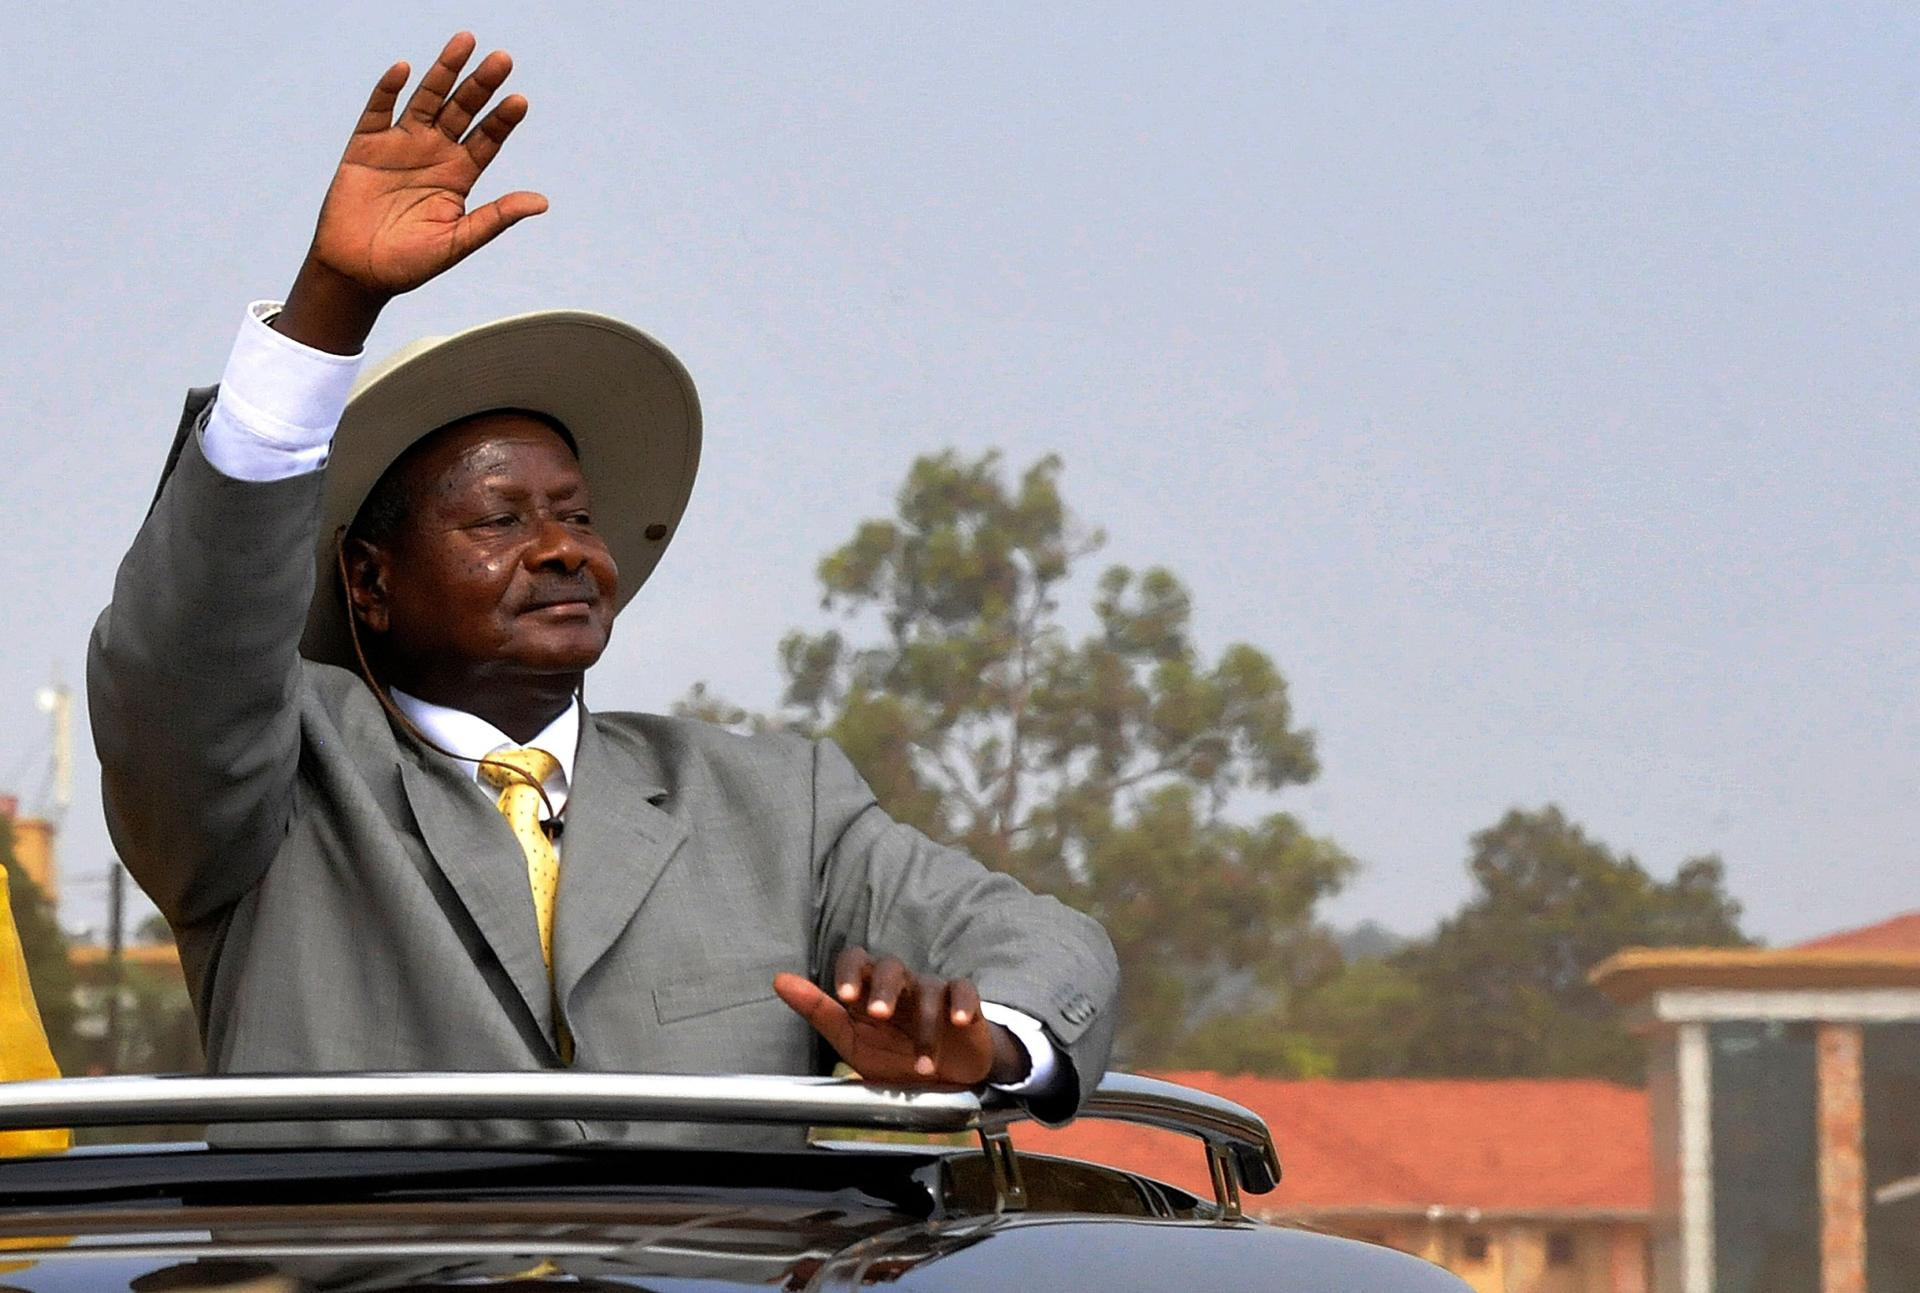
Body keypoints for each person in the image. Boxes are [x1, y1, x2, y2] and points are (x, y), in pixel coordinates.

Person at [87, 34, 1116, 1143]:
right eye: (500, 520)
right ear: (370, 583)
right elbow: (182, 661)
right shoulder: (273, 783)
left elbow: (1048, 946)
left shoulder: (776, 804)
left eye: (577, 517)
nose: (562, 550)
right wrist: (327, 306)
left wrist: (985, 1040)